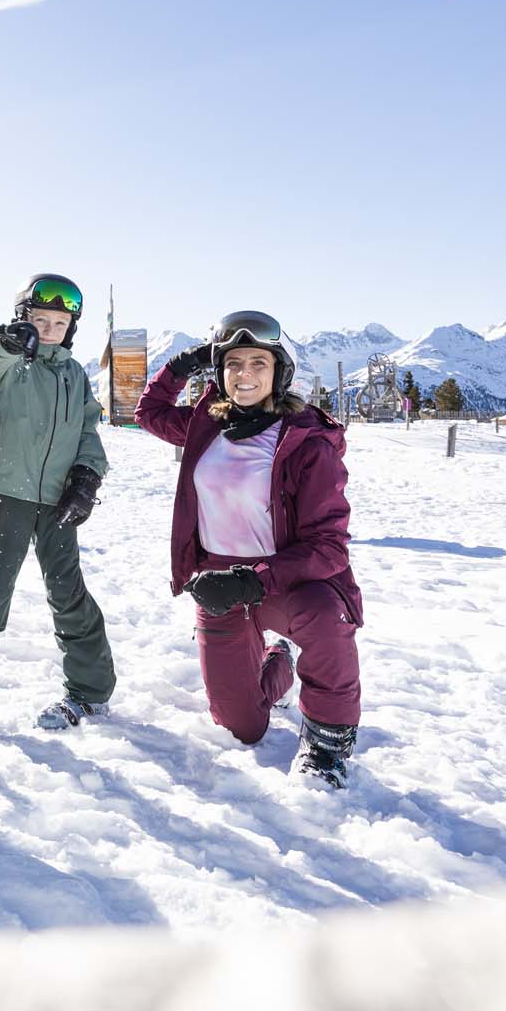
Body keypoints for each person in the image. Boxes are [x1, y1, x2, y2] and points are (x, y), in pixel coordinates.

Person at [135, 310, 364, 789]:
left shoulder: (306, 441)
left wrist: (252, 580)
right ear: (219, 372)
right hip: (218, 583)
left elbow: (328, 547)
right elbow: (149, 413)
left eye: (258, 363)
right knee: (241, 727)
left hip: (284, 581)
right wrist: (180, 365)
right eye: (233, 363)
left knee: (326, 617)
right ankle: (278, 659)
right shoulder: (205, 426)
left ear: (279, 372)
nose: (245, 374)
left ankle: (326, 746)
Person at [0, 274, 113, 731]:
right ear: (24, 320)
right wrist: (8, 340)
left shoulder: (75, 375)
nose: (50, 330)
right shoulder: (11, 364)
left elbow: (88, 430)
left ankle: (91, 691)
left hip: (59, 499)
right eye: (40, 320)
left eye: (60, 323)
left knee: (67, 590)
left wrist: (86, 478)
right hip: (8, 494)